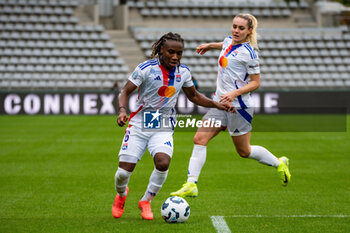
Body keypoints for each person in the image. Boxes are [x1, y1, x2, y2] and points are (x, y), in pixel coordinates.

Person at [112, 32, 234, 220]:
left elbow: (194, 96)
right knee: (122, 173)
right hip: (139, 123)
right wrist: (122, 110)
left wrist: (217, 104)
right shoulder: (146, 68)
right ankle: (121, 195)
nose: (175, 57)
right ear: (161, 50)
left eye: (179, 53)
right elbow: (125, 91)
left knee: (163, 163)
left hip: (163, 124)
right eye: (171, 52)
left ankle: (146, 202)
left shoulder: (183, 72)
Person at [170, 13, 291, 198]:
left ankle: (279, 163)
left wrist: (234, 93)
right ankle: (191, 184)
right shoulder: (228, 41)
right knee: (199, 139)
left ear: (249, 31)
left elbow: (256, 82)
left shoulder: (250, 54)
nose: (236, 30)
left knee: (244, 151)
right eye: (234, 26)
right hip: (219, 104)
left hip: (239, 107)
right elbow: (225, 45)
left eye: (241, 28)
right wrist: (210, 46)